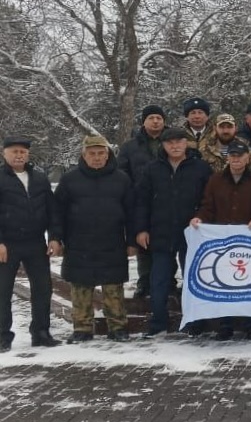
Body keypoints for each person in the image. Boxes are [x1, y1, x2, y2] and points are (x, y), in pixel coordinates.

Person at [54, 135, 135, 343]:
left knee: (113, 288)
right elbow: (57, 212)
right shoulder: (69, 179)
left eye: (101, 153)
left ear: (108, 155)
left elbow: (133, 211)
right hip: (79, 243)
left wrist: (132, 240)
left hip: (112, 241)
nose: (97, 157)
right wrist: (56, 238)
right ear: (84, 155)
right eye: (92, 154)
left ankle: (118, 327)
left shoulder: (122, 179)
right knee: (80, 288)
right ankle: (82, 328)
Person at [134, 127, 212, 338]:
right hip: (161, 231)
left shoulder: (201, 168)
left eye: (179, 142)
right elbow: (142, 202)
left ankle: (195, 322)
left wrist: (202, 217)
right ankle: (158, 322)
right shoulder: (152, 169)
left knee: (193, 278)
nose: (175, 146)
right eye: (170, 143)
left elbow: (209, 199)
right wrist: (141, 229)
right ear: (164, 145)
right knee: (159, 279)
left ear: (186, 143)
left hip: (192, 233)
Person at [191, 139, 251, 340]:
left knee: (249, 282)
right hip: (223, 240)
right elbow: (208, 206)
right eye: (232, 156)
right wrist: (200, 217)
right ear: (228, 158)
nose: (236, 160)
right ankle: (225, 323)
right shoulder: (215, 180)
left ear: (247, 158)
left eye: (240, 156)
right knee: (224, 282)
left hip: (249, 240)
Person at [0, 136, 61, 350]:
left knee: (43, 288)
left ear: (28, 155)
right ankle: (2, 337)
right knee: (3, 291)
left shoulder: (39, 178)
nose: (19, 155)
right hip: (7, 244)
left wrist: (54, 237)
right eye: (14, 151)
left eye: (22, 152)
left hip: (36, 242)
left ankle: (41, 332)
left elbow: (52, 210)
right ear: (4, 153)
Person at [118, 103, 167, 298]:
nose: (155, 121)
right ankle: (144, 280)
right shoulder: (131, 146)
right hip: (141, 200)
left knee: (166, 244)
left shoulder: (172, 142)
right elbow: (122, 171)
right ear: (144, 122)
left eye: (159, 118)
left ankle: (167, 280)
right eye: (151, 118)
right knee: (143, 241)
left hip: (167, 199)